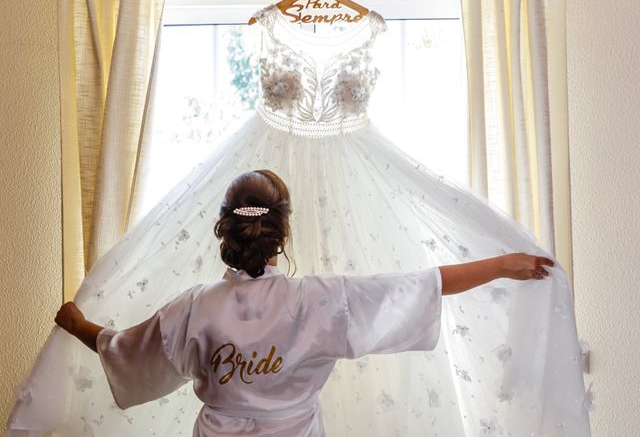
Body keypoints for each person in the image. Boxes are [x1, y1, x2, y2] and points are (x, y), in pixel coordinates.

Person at [54, 169, 555, 437]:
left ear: (224, 227)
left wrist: (76, 323)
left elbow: (124, 348)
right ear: (282, 233)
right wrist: (499, 266)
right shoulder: (321, 300)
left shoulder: (192, 308)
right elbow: (417, 285)